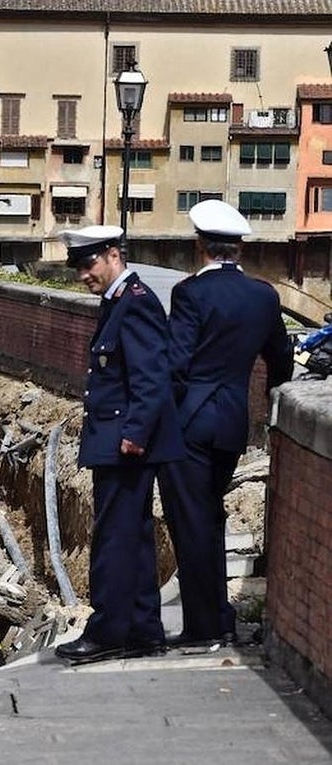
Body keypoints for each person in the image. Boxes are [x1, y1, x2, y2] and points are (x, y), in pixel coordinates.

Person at [158, 200, 294, 648]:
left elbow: (177, 364)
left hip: (190, 423)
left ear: (201, 246)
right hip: (232, 423)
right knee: (210, 518)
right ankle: (218, 616)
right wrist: (274, 395)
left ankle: (205, 626)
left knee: (190, 522)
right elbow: (280, 358)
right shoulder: (263, 295)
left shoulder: (190, 293)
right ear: (237, 248)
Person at [54, 225, 185, 663]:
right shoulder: (118, 303)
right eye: (78, 267)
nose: (83, 276)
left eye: (88, 264)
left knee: (113, 538)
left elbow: (151, 377)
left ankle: (108, 631)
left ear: (113, 255)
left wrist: (134, 435)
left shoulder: (136, 304)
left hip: (125, 444)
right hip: (117, 438)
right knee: (134, 537)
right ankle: (145, 629)